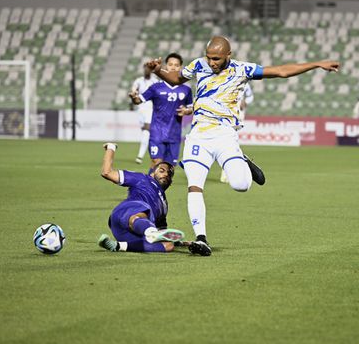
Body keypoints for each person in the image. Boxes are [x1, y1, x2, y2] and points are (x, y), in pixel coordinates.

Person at [145, 36, 340, 256]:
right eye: (209, 58)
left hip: (225, 136)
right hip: (198, 135)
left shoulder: (242, 69)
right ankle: (201, 238)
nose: (212, 63)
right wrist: (158, 71)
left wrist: (316, 64)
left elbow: (281, 71)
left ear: (228, 55)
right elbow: (176, 79)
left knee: (240, 185)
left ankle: (244, 162)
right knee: (194, 185)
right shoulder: (199, 64)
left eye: (217, 58)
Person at [98, 142, 185, 253]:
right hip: (125, 213)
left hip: (124, 233)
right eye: (162, 170)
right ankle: (149, 231)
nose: (165, 174)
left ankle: (118, 246)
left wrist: (183, 243)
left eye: (169, 174)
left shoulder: (164, 205)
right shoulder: (142, 178)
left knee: (168, 246)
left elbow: (163, 233)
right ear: (153, 173)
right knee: (143, 209)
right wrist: (111, 148)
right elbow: (107, 173)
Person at [129, 53, 193, 169]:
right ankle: (149, 186)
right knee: (156, 164)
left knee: (168, 170)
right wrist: (134, 98)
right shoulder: (156, 87)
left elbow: (191, 108)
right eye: (170, 64)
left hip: (174, 135)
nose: (173, 67)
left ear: (181, 67)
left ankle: (157, 187)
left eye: (176, 65)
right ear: (166, 66)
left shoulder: (186, 89)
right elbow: (139, 100)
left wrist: (187, 111)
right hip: (157, 133)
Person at [220, 82, 254, 183]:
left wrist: (246, 102)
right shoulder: (223, 80)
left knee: (229, 143)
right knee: (228, 144)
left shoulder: (244, 82)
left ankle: (226, 173)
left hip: (236, 117)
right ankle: (228, 172)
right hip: (223, 114)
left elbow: (250, 96)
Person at [130, 64, 158, 164]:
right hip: (140, 109)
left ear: (151, 70)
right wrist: (132, 97)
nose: (146, 70)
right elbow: (133, 92)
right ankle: (153, 151)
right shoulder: (138, 81)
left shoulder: (155, 81)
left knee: (146, 131)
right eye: (145, 68)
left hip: (150, 108)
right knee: (144, 133)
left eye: (148, 68)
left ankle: (140, 156)